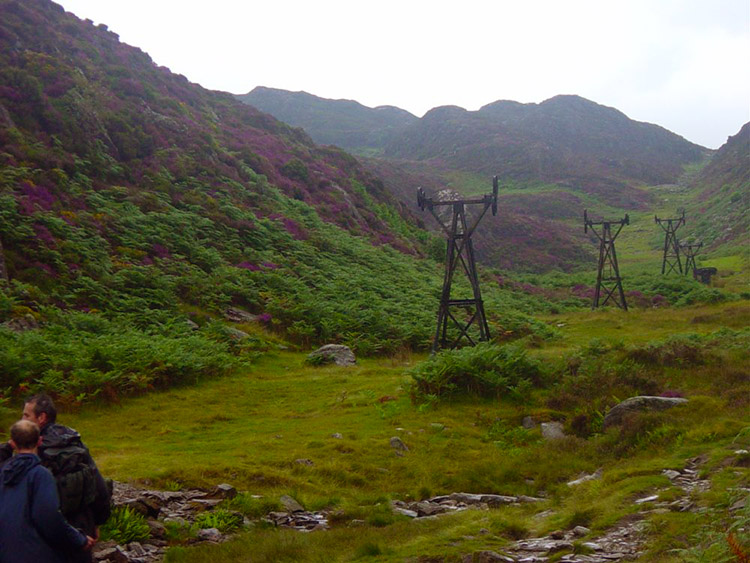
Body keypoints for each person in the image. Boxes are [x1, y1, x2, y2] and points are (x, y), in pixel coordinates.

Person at [0, 394, 111, 563]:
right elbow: (98, 486)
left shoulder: (33, 452)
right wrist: (97, 522)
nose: (22, 418)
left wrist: (9, 446)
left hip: (42, 538)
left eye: (26, 415)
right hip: (81, 527)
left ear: (41, 417)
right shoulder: (75, 443)